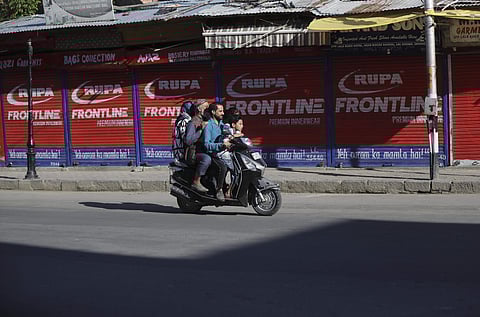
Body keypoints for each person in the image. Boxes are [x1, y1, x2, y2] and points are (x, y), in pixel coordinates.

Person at [200, 103, 231, 202]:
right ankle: (219, 190)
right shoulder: (209, 125)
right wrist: (220, 145)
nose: (223, 113)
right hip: (211, 154)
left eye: (223, 111)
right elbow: (206, 144)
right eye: (220, 111)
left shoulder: (221, 124)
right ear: (213, 112)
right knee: (223, 167)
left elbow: (227, 134)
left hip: (221, 153)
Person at [184, 99, 210, 193]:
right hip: (194, 152)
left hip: (205, 149)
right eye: (206, 107)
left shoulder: (207, 121)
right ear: (199, 109)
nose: (208, 110)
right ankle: (196, 181)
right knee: (207, 159)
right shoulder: (193, 122)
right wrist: (201, 130)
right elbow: (188, 140)